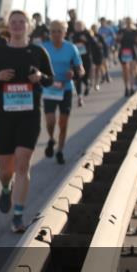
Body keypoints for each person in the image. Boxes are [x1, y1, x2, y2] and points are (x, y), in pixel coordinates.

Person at [0, 10, 55, 233]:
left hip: (29, 116)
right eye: (14, 22)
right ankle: (5, 188)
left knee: (23, 164)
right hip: (3, 117)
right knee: (6, 170)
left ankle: (19, 215)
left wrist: (40, 78)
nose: (18, 25)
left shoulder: (38, 52)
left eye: (22, 22)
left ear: (29, 26)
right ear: (8, 27)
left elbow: (50, 80)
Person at [42, 21, 84, 165]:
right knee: (50, 121)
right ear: (49, 33)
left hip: (65, 88)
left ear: (65, 33)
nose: (56, 34)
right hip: (49, 88)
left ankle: (60, 150)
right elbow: (37, 68)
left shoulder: (71, 48)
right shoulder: (44, 47)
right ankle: (51, 138)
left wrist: (74, 73)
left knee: (63, 123)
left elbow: (81, 69)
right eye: (53, 31)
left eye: (59, 31)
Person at [70, 19, 99, 102]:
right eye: (77, 26)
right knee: (77, 77)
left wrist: (86, 40)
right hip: (76, 59)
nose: (78, 27)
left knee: (84, 76)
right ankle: (80, 96)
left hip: (86, 58)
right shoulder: (73, 34)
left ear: (83, 26)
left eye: (80, 25)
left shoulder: (87, 33)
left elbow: (94, 44)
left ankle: (88, 84)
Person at [116, 17, 137, 96]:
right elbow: (117, 40)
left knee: (132, 71)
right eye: (127, 22)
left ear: (132, 22)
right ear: (125, 22)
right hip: (123, 51)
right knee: (125, 71)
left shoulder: (135, 30)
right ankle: (126, 88)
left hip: (132, 51)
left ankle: (132, 87)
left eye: (129, 22)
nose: (128, 23)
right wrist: (119, 38)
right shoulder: (121, 30)